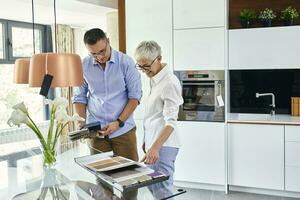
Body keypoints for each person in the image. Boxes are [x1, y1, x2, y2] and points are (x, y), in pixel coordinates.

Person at [73, 28, 142, 161]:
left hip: (123, 130)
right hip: (95, 133)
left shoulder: (126, 63)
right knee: (102, 177)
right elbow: (79, 97)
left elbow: (135, 98)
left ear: (108, 42)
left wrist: (118, 122)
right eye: (94, 54)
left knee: (129, 176)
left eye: (102, 51)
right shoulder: (84, 65)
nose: (100, 57)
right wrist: (81, 124)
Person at [134, 41, 183, 194]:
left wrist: (154, 147)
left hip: (164, 146)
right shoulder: (154, 79)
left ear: (159, 58)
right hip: (154, 144)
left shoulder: (169, 82)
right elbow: (153, 116)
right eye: (140, 66)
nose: (143, 70)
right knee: (155, 189)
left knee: (163, 191)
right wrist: (146, 142)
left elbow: (171, 122)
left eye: (146, 66)